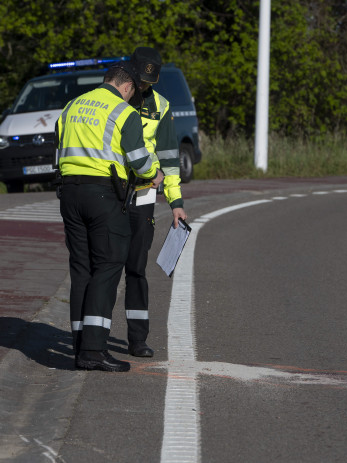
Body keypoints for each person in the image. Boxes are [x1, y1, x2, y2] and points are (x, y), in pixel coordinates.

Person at [56, 61, 164, 371]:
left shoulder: (71, 106)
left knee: (82, 269)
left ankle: (79, 344)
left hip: (69, 193)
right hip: (103, 194)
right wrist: (154, 175)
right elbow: (139, 160)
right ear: (127, 87)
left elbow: (58, 149)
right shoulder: (123, 112)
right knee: (109, 264)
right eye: (133, 93)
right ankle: (93, 349)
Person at [123, 46, 187, 358]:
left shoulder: (161, 107)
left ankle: (137, 339)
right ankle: (94, 337)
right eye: (140, 81)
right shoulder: (114, 99)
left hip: (144, 194)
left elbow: (170, 161)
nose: (144, 87)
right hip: (110, 193)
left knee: (136, 267)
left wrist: (175, 202)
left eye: (149, 82)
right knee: (106, 267)